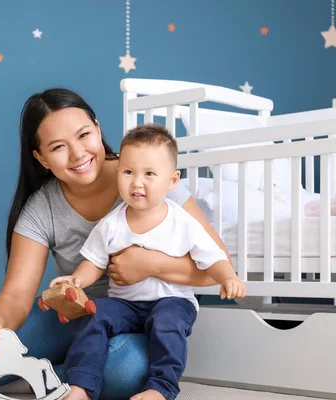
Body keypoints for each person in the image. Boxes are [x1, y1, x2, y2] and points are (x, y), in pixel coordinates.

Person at [0, 88, 235, 399]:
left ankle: (50, 375)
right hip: (79, 313)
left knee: (122, 370)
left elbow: (217, 267)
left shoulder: (150, 177)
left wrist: (152, 265)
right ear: (41, 158)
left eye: (83, 135)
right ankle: (60, 370)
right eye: (58, 147)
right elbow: (16, 295)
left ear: (97, 127)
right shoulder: (42, 208)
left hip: (147, 313)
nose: (78, 154)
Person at [48, 124, 246, 400]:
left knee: (167, 320)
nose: (137, 183)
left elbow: (213, 256)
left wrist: (228, 278)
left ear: (172, 181)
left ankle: (161, 388)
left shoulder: (182, 221)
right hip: (126, 304)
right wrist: (76, 281)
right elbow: (93, 262)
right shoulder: (112, 224)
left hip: (171, 300)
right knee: (94, 314)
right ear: (118, 173)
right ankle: (80, 385)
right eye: (128, 172)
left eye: (149, 174)